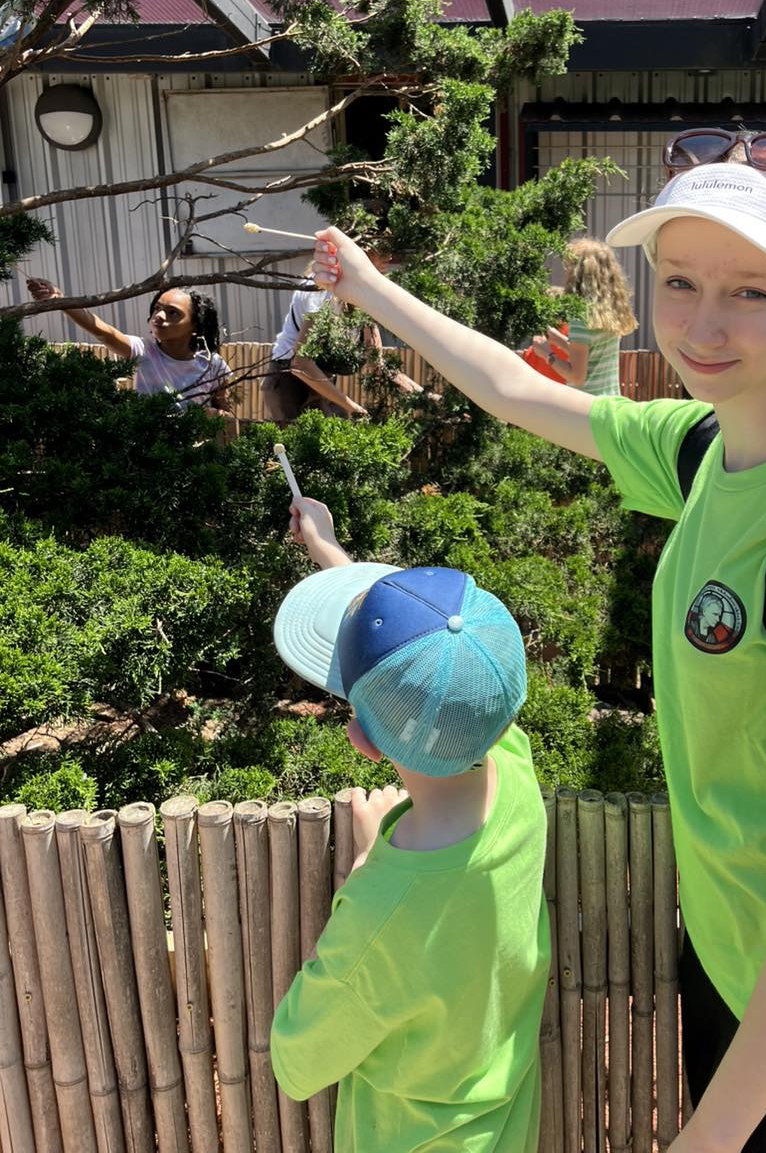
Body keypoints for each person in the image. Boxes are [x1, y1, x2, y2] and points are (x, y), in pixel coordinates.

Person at [307, 124, 766, 1153]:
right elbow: (518, 391)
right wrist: (371, 289)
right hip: (734, 960)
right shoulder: (704, 448)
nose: (703, 324)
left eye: (751, 291)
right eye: (680, 281)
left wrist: (708, 1139)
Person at [269, 494, 549, 1153]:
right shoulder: (514, 768)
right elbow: (441, 665)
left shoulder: (381, 915)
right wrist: (329, 552)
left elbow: (296, 1062)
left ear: (363, 743)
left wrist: (368, 863)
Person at [25, 277, 232, 413]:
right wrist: (60, 300)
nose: (159, 316)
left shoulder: (213, 365)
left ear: (196, 325)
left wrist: (211, 415)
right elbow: (104, 332)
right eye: (157, 308)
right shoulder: (144, 351)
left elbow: (225, 412)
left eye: (173, 313)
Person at [262, 275, 427, 422]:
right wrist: (353, 408)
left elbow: (377, 363)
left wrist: (424, 397)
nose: (389, 259)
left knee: (340, 424)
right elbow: (300, 364)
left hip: (321, 376)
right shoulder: (323, 293)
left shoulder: (362, 302)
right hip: (289, 377)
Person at [529, 237, 637, 396]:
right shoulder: (606, 311)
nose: (566, 274)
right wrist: (558, 339)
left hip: (585, 405)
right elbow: (590, 355)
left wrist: (546, 353)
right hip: (609, 401)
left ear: (578, 274)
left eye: (569, 268)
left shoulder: (580, 317)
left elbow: (577, 377)